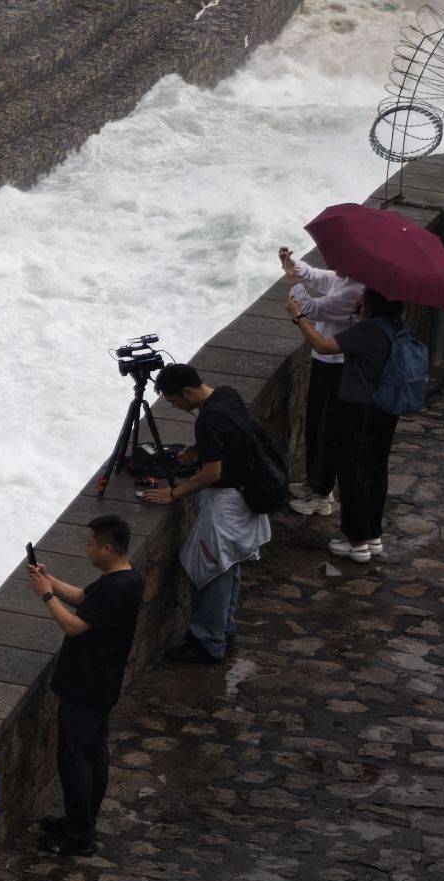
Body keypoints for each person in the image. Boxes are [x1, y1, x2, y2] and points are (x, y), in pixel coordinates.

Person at [142, 357, 281, 664]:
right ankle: (225, 631)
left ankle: (207, 642)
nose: (175, 407)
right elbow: (236, 437)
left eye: (175, 400)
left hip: (227, 505)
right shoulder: (226, 395)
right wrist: (201, 450)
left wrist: (173, 492)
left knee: (210, 569)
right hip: (247, 496)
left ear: (188, 393)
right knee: (228, 567)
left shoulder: (208, 419)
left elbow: (211, 475)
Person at [22, 514, 141, 859]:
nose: (86, 548)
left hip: (85, 686)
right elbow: (83, 598)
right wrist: (50, 580)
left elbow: (74, 626)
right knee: (93, 753)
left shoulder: (116, 588)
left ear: (106, 548)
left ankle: (79, 836)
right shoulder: (126, 579)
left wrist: (46, 597)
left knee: (75, 758)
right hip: (102, 683)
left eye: (90, 543)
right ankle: (81, 819)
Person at [298, 287, 425, 565]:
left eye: (364, 296)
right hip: (385, 409)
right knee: (375, 469)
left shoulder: (367, 331)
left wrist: (299, 318)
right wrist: (361, 316)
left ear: (372, 302)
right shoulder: (397, 326)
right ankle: (373, 535)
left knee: (352, 471)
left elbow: (323, 345)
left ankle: (356, 542)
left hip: (358, 410)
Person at [279, 244, 362, 521]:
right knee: (316, 423)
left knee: (328, 429)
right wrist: (294, 266)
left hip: (338, 365)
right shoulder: (345, 278)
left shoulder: (355, 291)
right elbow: (317, 276)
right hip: (325, 363)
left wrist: (295, 289)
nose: (333, 262)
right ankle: (315, 482)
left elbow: (312, 309)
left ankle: (322, 493)